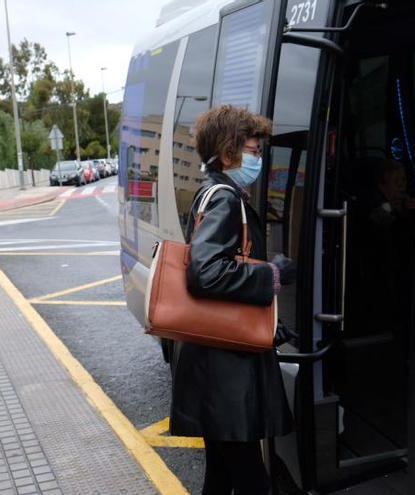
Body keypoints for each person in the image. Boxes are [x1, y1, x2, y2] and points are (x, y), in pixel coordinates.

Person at [170, 105, 295, 494]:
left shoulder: (209, 192)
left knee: (223, 473)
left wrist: (268, 325)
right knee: (249, 477)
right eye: (254, 150)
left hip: (213, 359)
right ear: (228, 154)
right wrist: (271, 275)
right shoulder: (225, 198)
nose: (258, 158)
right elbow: (206, 272)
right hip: (226, 370)